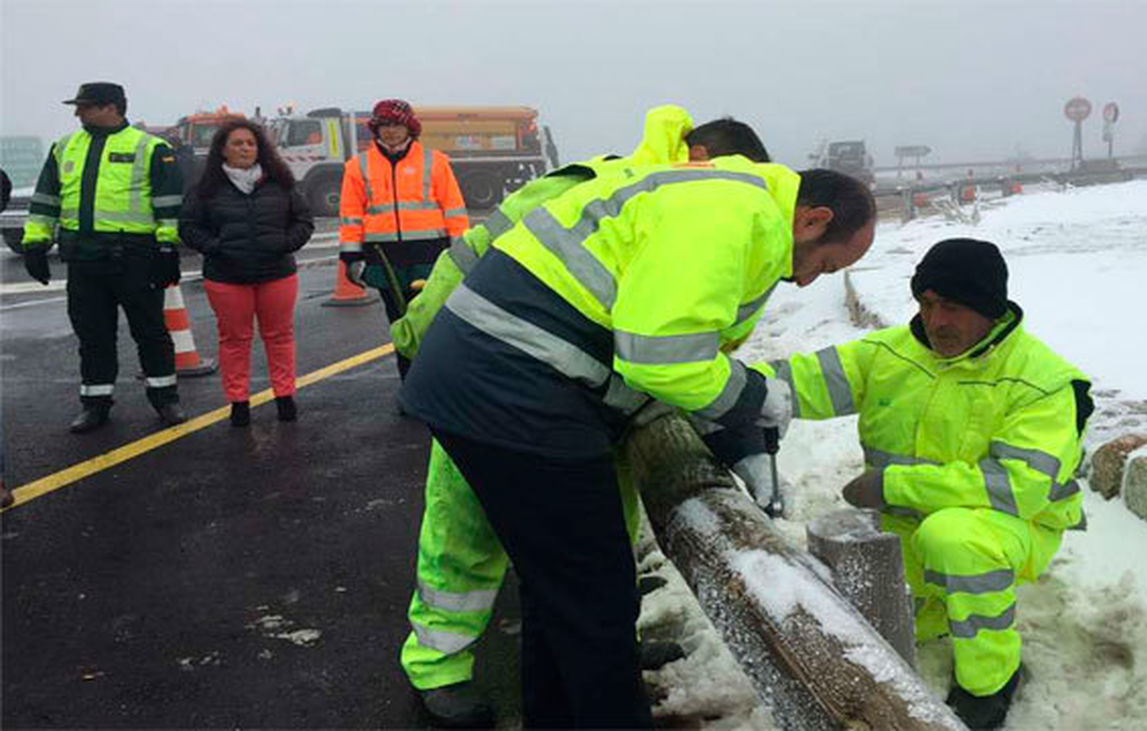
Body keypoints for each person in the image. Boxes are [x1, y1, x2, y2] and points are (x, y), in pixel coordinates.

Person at [399, 150, 876, 726]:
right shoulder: (734, 215)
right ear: (813, 219)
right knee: (595, 601)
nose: (806, 281)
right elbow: (660, 359)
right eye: (823, 265)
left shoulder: (729, 204)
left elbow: (674, 346)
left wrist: (735, 438)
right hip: (514, 385)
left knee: (564, 591)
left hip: (497, 375)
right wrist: (755, 399)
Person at [753, 238, 1093, 729]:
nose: (936, 321)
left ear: (989, 310)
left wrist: (895, 486)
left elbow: (1018, 488)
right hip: (907, 526)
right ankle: (935, 612)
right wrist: (727, 391)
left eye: (952, 307)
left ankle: (992, 679)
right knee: (889, 623)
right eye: (927, 304)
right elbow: (797, 381)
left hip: (1009, 526)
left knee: (953, 540)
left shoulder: (1040, 382)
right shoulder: (891, 353)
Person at [21, 82, 187, 433]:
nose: (78, 113)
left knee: (151, 332)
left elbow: (168, 204)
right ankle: (95, 404)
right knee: (93, 335)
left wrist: (167, 246)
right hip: (83, 260)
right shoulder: (64, 146)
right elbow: (46, 200)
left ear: (111, 107)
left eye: (85, 106)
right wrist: (35, 244)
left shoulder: (150, 148)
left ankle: (165, 400)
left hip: (135, 257)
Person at [179, 120, 314, 426]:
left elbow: (303, 220)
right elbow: (188, 227)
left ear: (260, 148)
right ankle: (238, 402)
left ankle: (284, 396)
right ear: (223, 149)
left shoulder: (280, 182)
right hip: (227, 277)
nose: (245, 148)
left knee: (279, 336)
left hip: (276, 273)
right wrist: (215, 246)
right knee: (234, 340)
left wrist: (285, 243)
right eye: (237, 143)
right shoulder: (206, 189)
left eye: (251, 143)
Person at [338, 99, 469, 381]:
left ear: (409, 126)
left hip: (429, 256)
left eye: (396, 125)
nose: (391, 131)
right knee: (399, 324)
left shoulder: (435, 162)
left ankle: (435, 384)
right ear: (376, 129)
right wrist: (351, 256)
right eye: (384, 125)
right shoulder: (357, 166)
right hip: (384, 258)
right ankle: (410, 385)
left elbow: (454, 209)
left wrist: (461, 252)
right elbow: (351, 215)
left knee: (430, 322)